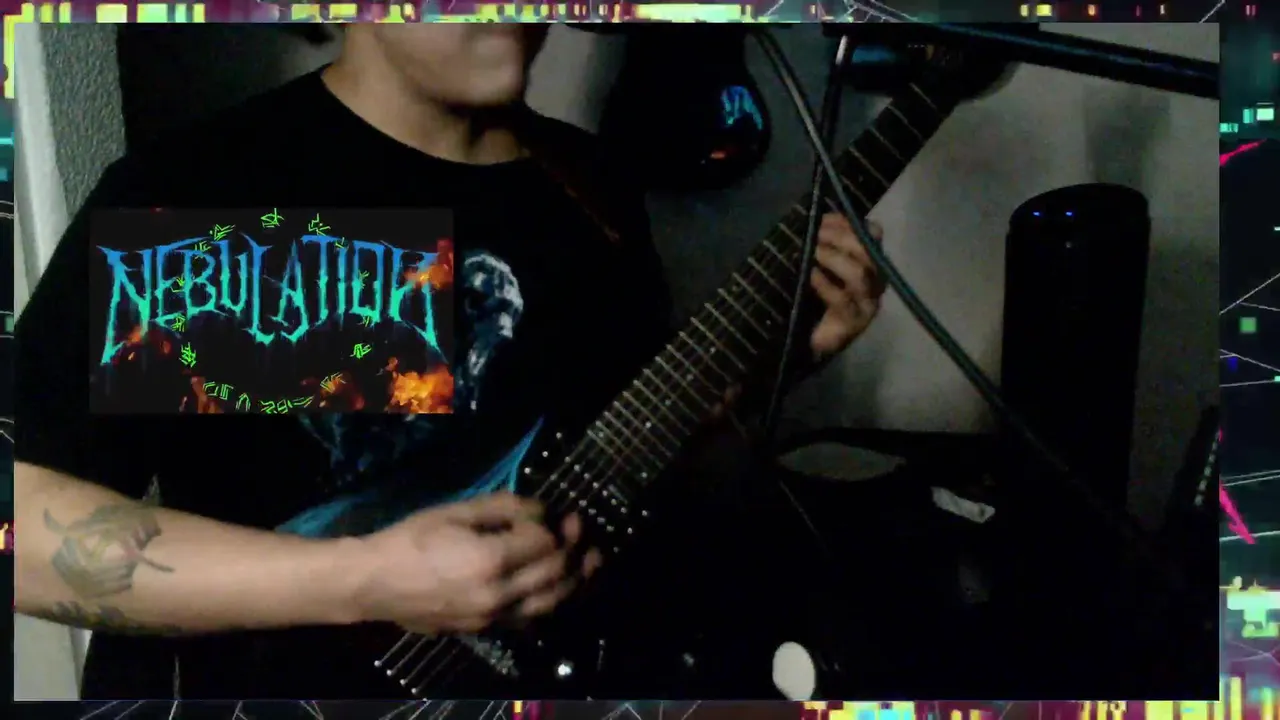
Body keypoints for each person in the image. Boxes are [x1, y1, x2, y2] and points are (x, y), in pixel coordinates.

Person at [14, 25, 886, 699]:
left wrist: (776, 369)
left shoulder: (587, 185)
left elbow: (594, 474)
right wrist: (363, 580)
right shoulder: (210, 200)